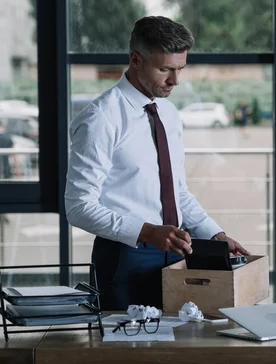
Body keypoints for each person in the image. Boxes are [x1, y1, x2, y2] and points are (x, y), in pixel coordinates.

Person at [65, 16, 250, 310]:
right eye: (165, 69)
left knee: (178, 347)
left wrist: (214, 235)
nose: (175, 81)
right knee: (128, 351)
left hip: (176, 251)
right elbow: (78, 207)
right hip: (124, 257)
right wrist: (149, 232)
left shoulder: (168, 112)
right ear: (135, 60)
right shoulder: (101, 118)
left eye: (180, 69)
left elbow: (176, 191)